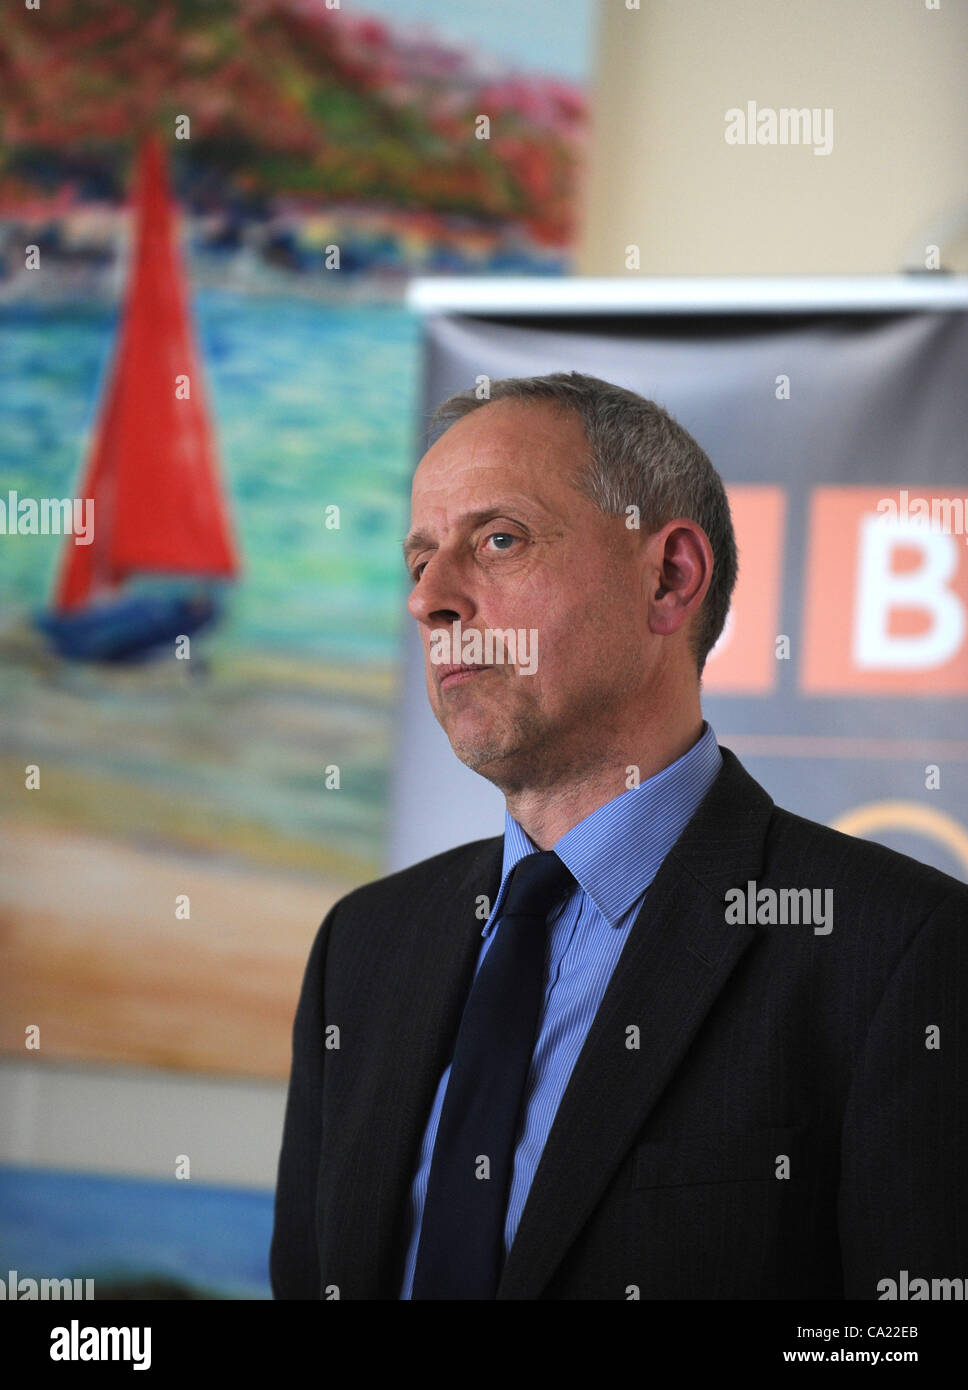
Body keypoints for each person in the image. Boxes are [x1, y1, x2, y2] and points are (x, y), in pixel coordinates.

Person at [270, 371, 968, 1300]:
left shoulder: (896, 951)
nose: (430, 600)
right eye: (419, 560)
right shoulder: (361, 947)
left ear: (670, 578)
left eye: (499, 539)